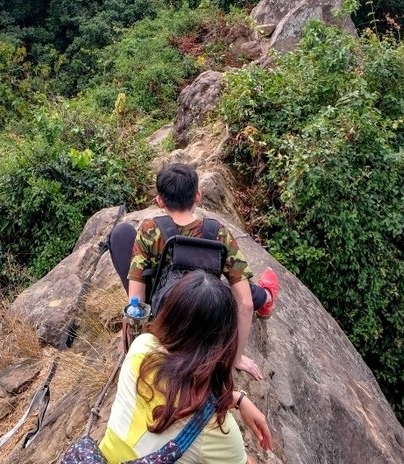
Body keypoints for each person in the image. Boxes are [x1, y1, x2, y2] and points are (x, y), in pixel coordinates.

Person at [109, 163, 279, 379]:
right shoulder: (218, 233)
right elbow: (244, 304)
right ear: (198, 196)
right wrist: (235, 359)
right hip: (205, 322)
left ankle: (264, 296)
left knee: (121, 233)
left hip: (164, 315)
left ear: (159, 201)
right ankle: (266, 297)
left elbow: (136, 299)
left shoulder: (150, 229)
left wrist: (142, 337)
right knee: (237, 289)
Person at [99, 270, 273, 464]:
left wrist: (238, 399)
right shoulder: (216, 430)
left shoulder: (141, 347)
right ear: (223, 344)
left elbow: (172, 391)